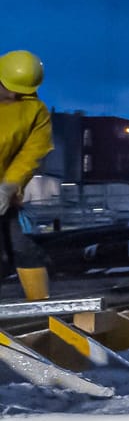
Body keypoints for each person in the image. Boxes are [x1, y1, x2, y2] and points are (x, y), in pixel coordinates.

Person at [0, 50, 53, 302]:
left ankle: (41, 309)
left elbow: (31, 153)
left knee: (23, 250)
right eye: (9, 88)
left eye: (21, 91)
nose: (14, 95)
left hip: (3, 195)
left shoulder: (34, 111)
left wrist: (10, 187)